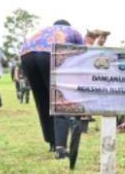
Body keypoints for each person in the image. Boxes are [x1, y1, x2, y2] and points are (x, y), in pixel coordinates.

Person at [20, 20, 84, 156]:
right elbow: (83, 56)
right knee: (58, 99)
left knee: (42, 100)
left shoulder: (42, 30)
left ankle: (52, 142)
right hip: (51, 54)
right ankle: (60, 148)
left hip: (26, 55)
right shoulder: (73, 32)